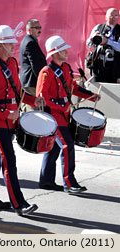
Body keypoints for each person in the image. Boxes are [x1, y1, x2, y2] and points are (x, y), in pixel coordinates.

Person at [0, 25, 44, 216]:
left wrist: (33, 100)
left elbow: (17, 92)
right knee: (9, 161)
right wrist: (5, 113)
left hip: (9, 121)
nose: (13, 45)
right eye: (9, 43)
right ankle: (19, 203)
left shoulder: (12, 63)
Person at [36, 35, 101, 193]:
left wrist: (91, 95)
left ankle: (46, 180)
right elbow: (41, 97)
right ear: (56, 53)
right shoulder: (46, 72)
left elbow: (72, 88)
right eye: (63, 49)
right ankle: (69, 182)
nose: (66, 51)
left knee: (54, 148)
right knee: (67, 145)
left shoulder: (65, 68)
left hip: (64, 116)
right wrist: (61, 104)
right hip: (53, 117)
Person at [86, 7, 120, 83]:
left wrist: (107, 41)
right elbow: (88, 43)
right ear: (106, 17)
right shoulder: (98, 27)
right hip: (98, 64)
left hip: (114, 66)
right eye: (111, 16)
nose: (113, 18)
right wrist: (93, 38)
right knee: (97, 86)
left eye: (116, 16)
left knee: (112, 88)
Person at [19, 19, 47, 112]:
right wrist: (42, 80)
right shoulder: (30, 42)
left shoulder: (30, 40)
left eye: (40, 27)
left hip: (30, 81)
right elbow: (35, 65)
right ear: (30, 30)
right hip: (31, 82)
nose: (40, 30)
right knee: (31, 110)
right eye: (37, 28)